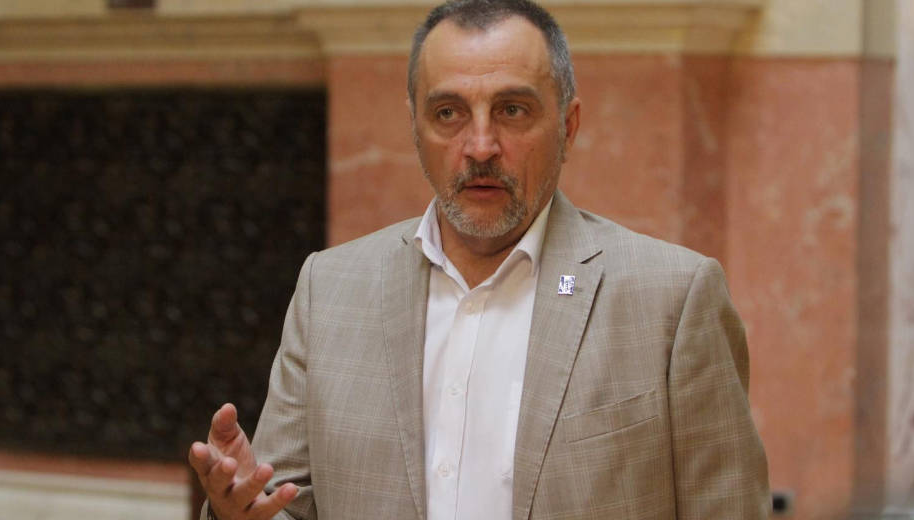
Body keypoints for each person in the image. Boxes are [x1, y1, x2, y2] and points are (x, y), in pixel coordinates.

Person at [188, 0, 770, 518]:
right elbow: (286, 504)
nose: (481, 146)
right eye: (449, 113)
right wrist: (241, 514)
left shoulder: (671, 299)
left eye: (513, 110)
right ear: (416, 128)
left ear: (567, 127)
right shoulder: (331, 288)